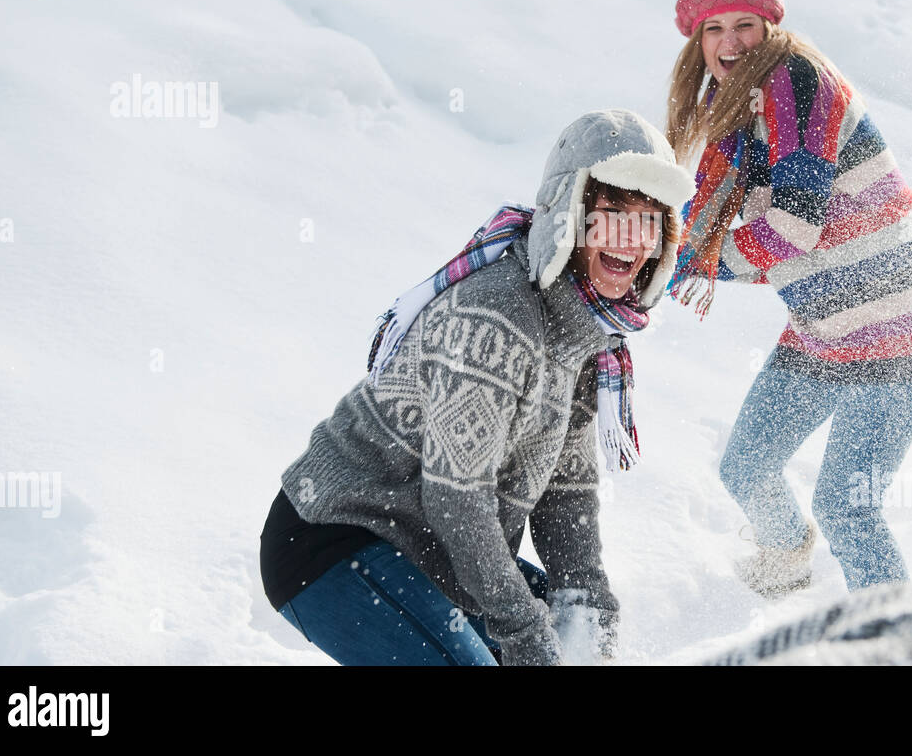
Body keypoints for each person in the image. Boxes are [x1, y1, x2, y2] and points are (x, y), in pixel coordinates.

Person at [258, 108, 693, 665]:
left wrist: (588, 611)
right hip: (338, 535)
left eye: (647, 220)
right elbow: (456, 497)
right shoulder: (498, 315)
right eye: (609, 214)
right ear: (569, 216)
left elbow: (566, 495)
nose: (629, 241)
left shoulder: (587, 336)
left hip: (434, 548)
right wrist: (526, 634)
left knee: (570, 637)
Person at [664, 0, 912, 598]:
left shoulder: (795, 83)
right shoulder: (743, 113)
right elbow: (723, 232)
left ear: (770, 26)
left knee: (848, 508)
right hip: (826, 332)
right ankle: (786, 565)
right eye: (713, 29)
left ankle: (898, 641)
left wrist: (687, 260)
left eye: (744, 23)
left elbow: (792, 228)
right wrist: (659, 253)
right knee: (747, 468)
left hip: (903, 329)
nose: (730, 41)